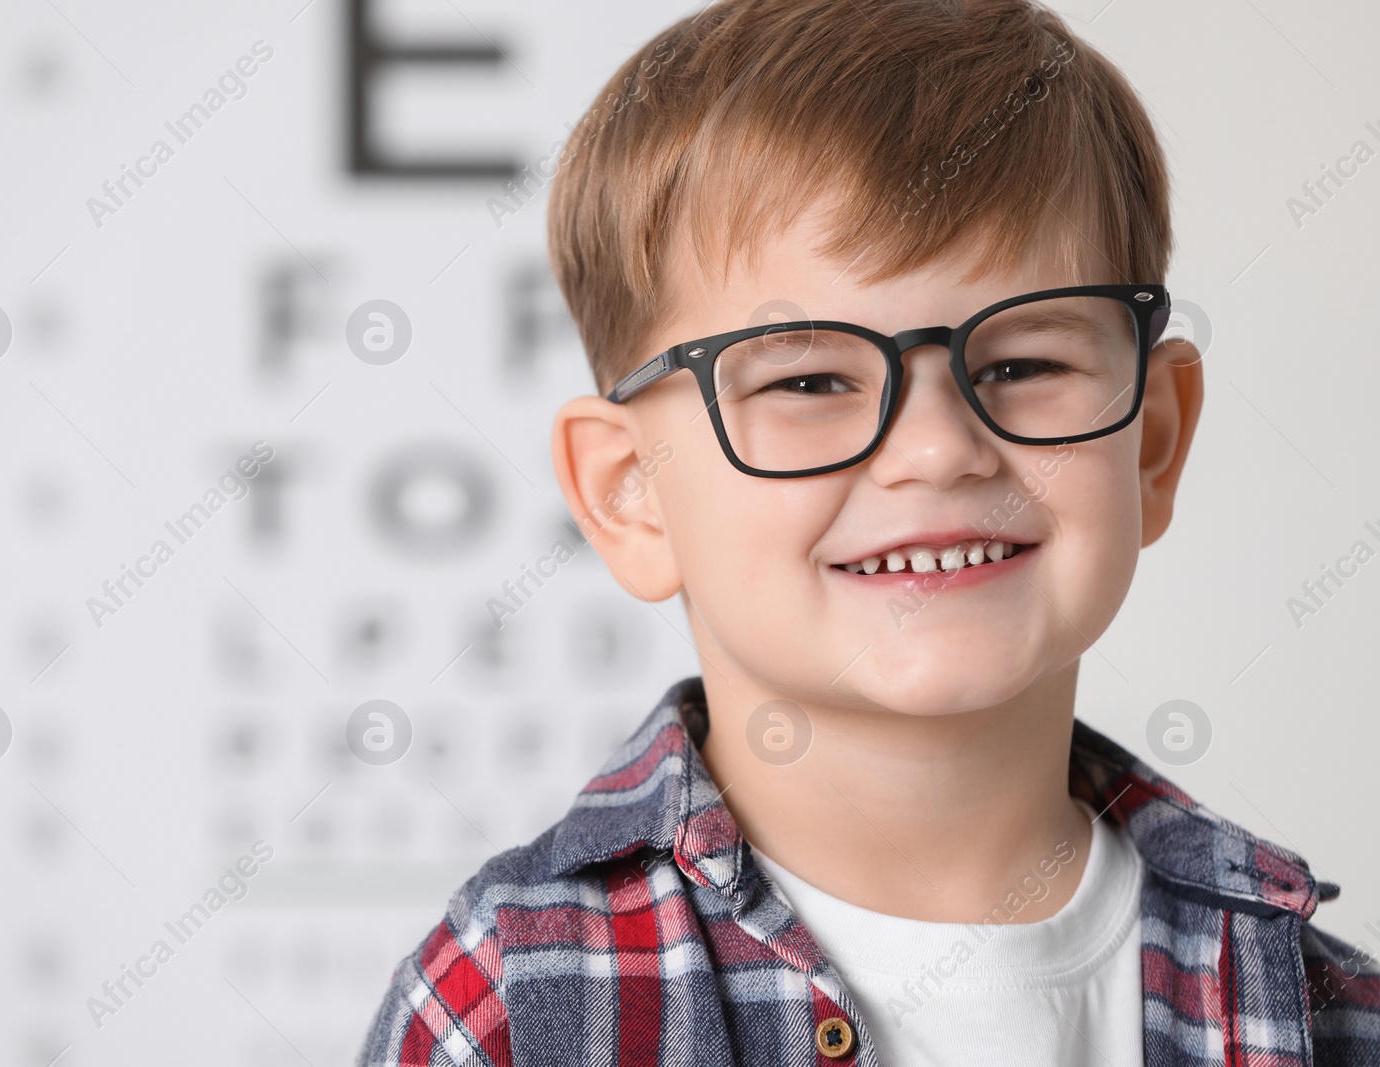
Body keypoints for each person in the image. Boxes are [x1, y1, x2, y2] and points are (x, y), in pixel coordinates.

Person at [360, 0, 1380, 1062]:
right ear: (632, 492)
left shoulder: (1325, 1011)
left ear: (1153, 442)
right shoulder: (514, 1002)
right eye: (808, 379)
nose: (938, 449)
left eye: (1023, 365)